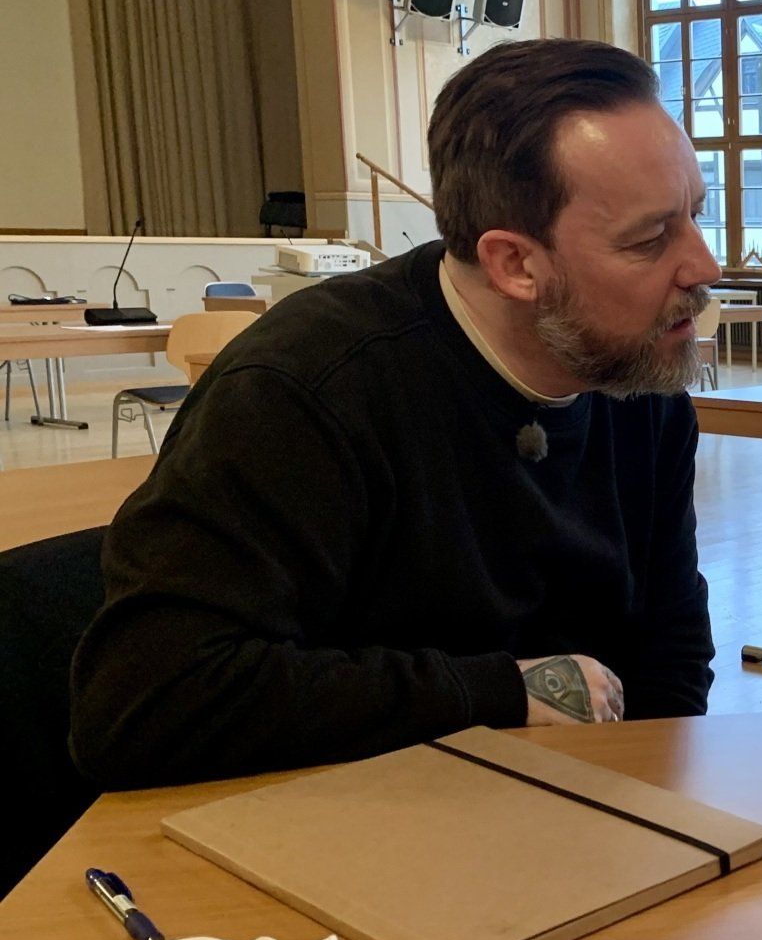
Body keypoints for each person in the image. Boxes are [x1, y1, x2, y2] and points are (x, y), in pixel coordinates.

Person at [70, 38, 721, 787]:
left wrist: (656, 813)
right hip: (333, 826)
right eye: (649, 239)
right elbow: (144, 704)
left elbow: (669, 651)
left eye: (696, 215)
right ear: (514, 264)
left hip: (558, 825)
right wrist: (500, 692)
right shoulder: (305, 392)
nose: (704, 265)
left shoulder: (633, 371)